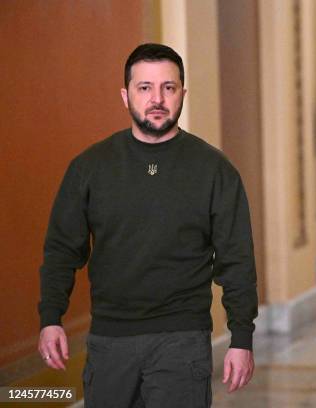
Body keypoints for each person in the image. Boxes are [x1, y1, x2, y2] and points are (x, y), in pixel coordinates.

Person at [37, 43, 258, 407]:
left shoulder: (214, 170)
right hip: (109, 340)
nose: (157, 98)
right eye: (145, 88)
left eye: (168, 88)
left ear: (182, 93)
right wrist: (50, 318)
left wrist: (241, 338)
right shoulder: (89, 168)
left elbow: (237, 260)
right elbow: (62, 250)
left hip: (182, 340)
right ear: (125, 96)